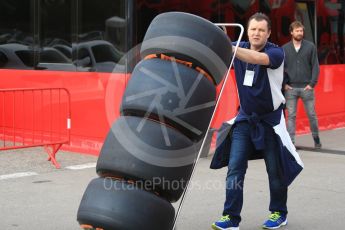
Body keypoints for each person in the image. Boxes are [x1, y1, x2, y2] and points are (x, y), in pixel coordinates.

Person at [211, 13, 304, 230]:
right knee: (235, 168)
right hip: (245, 119)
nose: (256, 33)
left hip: (270, 121)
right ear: (247, 29)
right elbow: (217, 46)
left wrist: (229, 47)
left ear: (268, 33)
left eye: (261, 30)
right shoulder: (240, 45)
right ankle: (231, 218)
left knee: (275, 170)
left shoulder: (275, 52)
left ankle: (279, 213)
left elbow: (257, 59)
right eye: (252, 29)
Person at [283, 21, 322, 149]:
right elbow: (279, 68)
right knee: (291, 116)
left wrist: (312, 84)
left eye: (301, 31)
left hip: (307, 88)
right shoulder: (284, 48)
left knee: (311, 115)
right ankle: (291, 142)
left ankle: (316, 139)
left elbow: (315, 66)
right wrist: (284, 84)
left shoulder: (310, 47)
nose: (300, 33)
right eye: (297, 31)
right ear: (291, 32)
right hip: (290, 88)